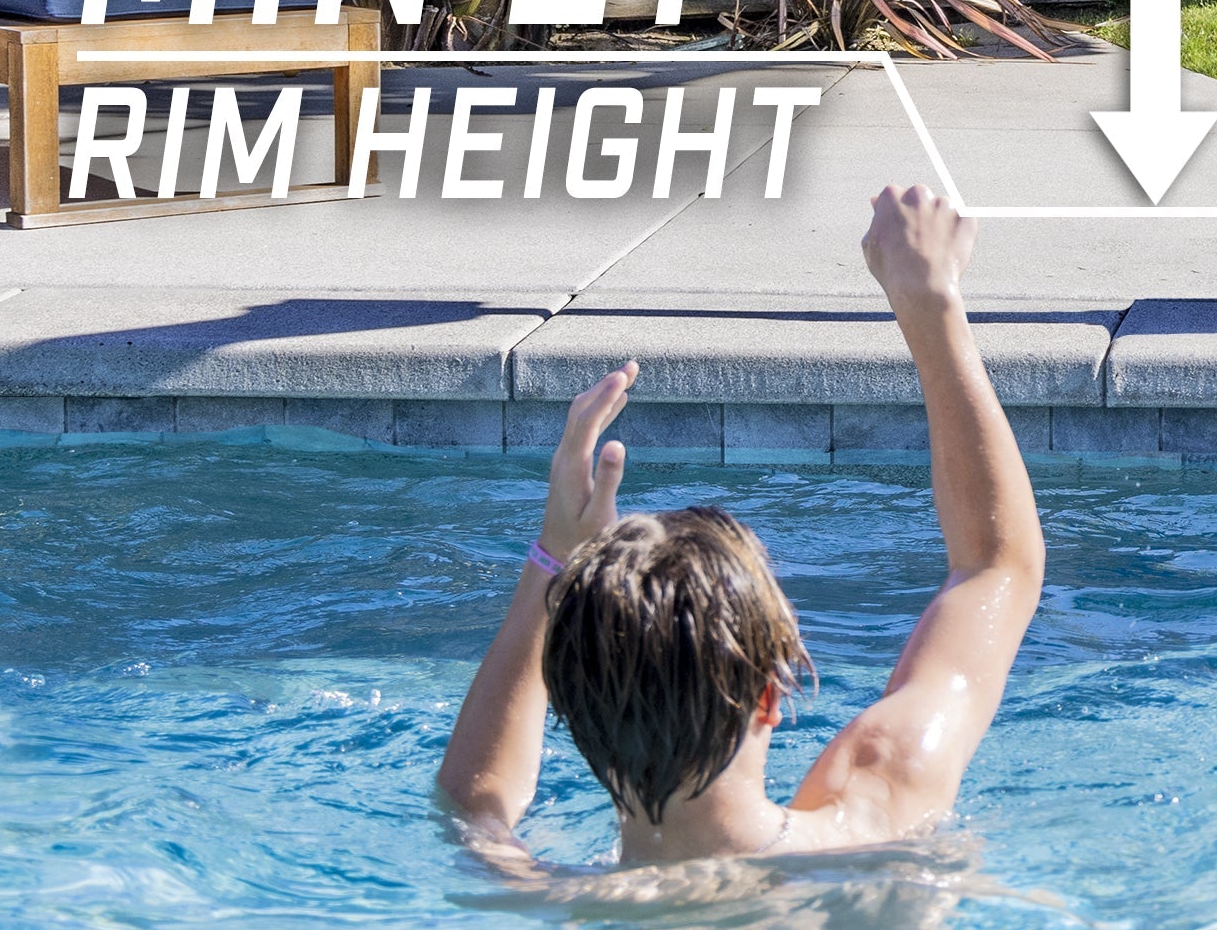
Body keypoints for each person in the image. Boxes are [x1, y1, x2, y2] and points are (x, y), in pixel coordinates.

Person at [433, 184, 1044, 869]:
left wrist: (554, 559)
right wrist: (929, 302)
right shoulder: (877, 817)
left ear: (569, 712)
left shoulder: (540, 901)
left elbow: (474, 798)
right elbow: (997, 566)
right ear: (768, 696)